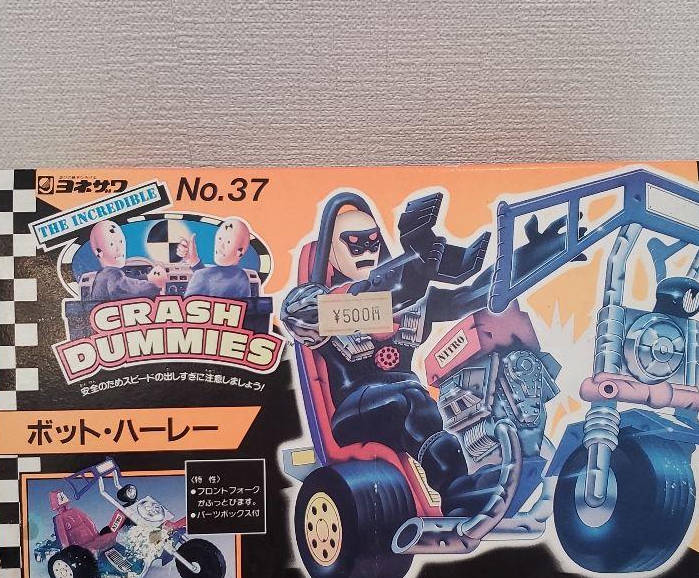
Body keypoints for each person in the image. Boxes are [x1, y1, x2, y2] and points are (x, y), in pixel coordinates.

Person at [282, 193, 568, 516]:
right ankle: (456, 491)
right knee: (410, 398)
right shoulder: (317, 303)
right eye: (355, 245)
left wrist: (537, 254)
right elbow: (301, 315)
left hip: (406, 404)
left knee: (434, 403)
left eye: (372, 244)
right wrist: (398, 289)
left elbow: (476, 294)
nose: (366, 253)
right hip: (354, 410)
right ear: (333, 250)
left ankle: (473, 481)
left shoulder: (412, 302)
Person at [85, 221, 168, 302]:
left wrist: (146, 277)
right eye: (112, 244)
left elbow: (126, 281)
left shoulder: (102, 274)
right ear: (99, 253)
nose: (119, 249)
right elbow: (131, 289)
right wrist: (153, 284)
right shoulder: (113, 274)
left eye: (120, 242)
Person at [186, 217, 253, 300]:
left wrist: (196, 265)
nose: (220, 246)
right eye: (220, 239)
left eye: (228, 242)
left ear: (240, 251)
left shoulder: (200, 275)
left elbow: (211, 280)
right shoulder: (242, 276)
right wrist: (195, 263)